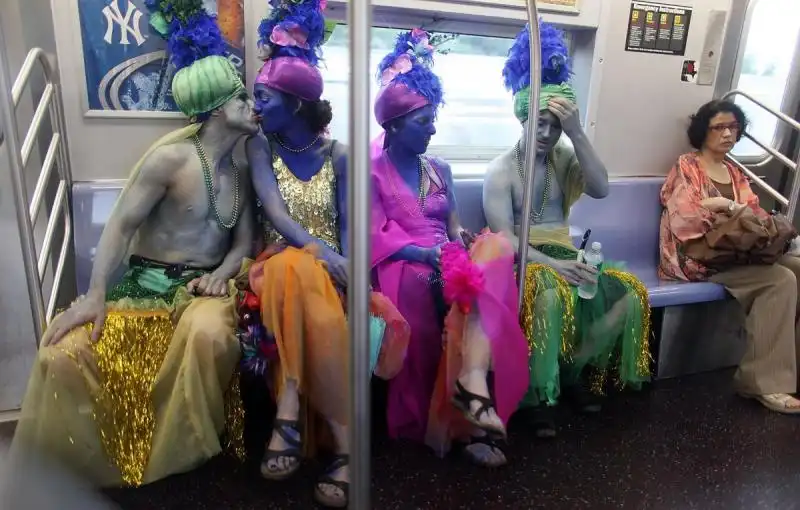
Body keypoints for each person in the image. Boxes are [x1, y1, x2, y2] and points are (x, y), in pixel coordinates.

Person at [10, 2, 257, 487]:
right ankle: (83, 468)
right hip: (142, 288)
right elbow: (120, 228)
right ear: (216, 107)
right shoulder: (169, 161)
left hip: (203, 295)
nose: (252, 105)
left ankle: (191, 458)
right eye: (242, 97)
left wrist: (223, 273)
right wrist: (96, 295)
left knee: (209, 335)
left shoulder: (243, 173)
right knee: (60, 353)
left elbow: (243, 241)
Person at [244, 1, 407, 507]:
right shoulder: (258, 147)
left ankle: (289, 417)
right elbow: (275, 211)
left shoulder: (339, 154)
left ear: (294, 102)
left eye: (264, 97)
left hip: (331, 265)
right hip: (274, 261)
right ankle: (344, 445)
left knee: (317, 289)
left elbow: (351, 226)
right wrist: (324, 256)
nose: (255, 106)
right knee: (295, 267)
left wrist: (348, 270)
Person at [483, 21, 651, 437]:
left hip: (567, 254)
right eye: (539, 122)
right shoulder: (500, 171)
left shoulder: (564, 156)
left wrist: (576, 131)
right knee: (550, 295)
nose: (546, 133)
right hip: (526, 259)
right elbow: (505, 241)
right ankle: (538, 395)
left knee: (629, 294)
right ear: (523, 116)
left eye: (554, 126)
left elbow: (601, 187)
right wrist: (555, 268)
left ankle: (572, 373)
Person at [370, 29, 529, 467]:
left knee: (494, 253)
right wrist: (425, 255)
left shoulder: (440, 167)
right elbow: (372, 234)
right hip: (401, 262)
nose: (434, 129)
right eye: (424, 122)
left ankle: (469, 389)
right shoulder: (372, 172)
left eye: (434, 119)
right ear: (394, 125)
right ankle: (456, 416)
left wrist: (465, 247)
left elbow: (454, 225)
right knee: (427, 288)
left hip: (444, 253)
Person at [659, 99, 800, 414]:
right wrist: (739, 217)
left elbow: (756, 217)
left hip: (736, 254)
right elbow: (688, 222)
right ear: (703, 132)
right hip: (698, 259)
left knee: (798, 268)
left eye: (733, 127)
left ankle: (791, 369)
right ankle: (765, 382)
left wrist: (732, 212)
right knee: (779, 280)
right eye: (719, 127)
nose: (727, 134)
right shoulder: (688, 166)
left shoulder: (735, 174)